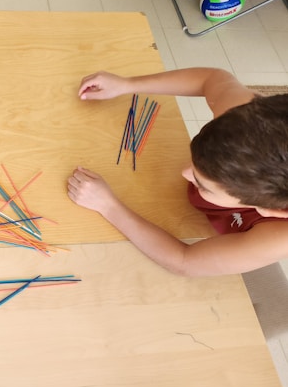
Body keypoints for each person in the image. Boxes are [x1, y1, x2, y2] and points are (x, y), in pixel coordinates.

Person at [67, 68, 288, 277]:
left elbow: (184, 261)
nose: (184, 173)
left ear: (270, 209)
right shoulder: (246, 123)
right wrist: (127, 84)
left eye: (203, 184)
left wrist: (108, 205)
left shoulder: (279, 236)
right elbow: (211, 78)